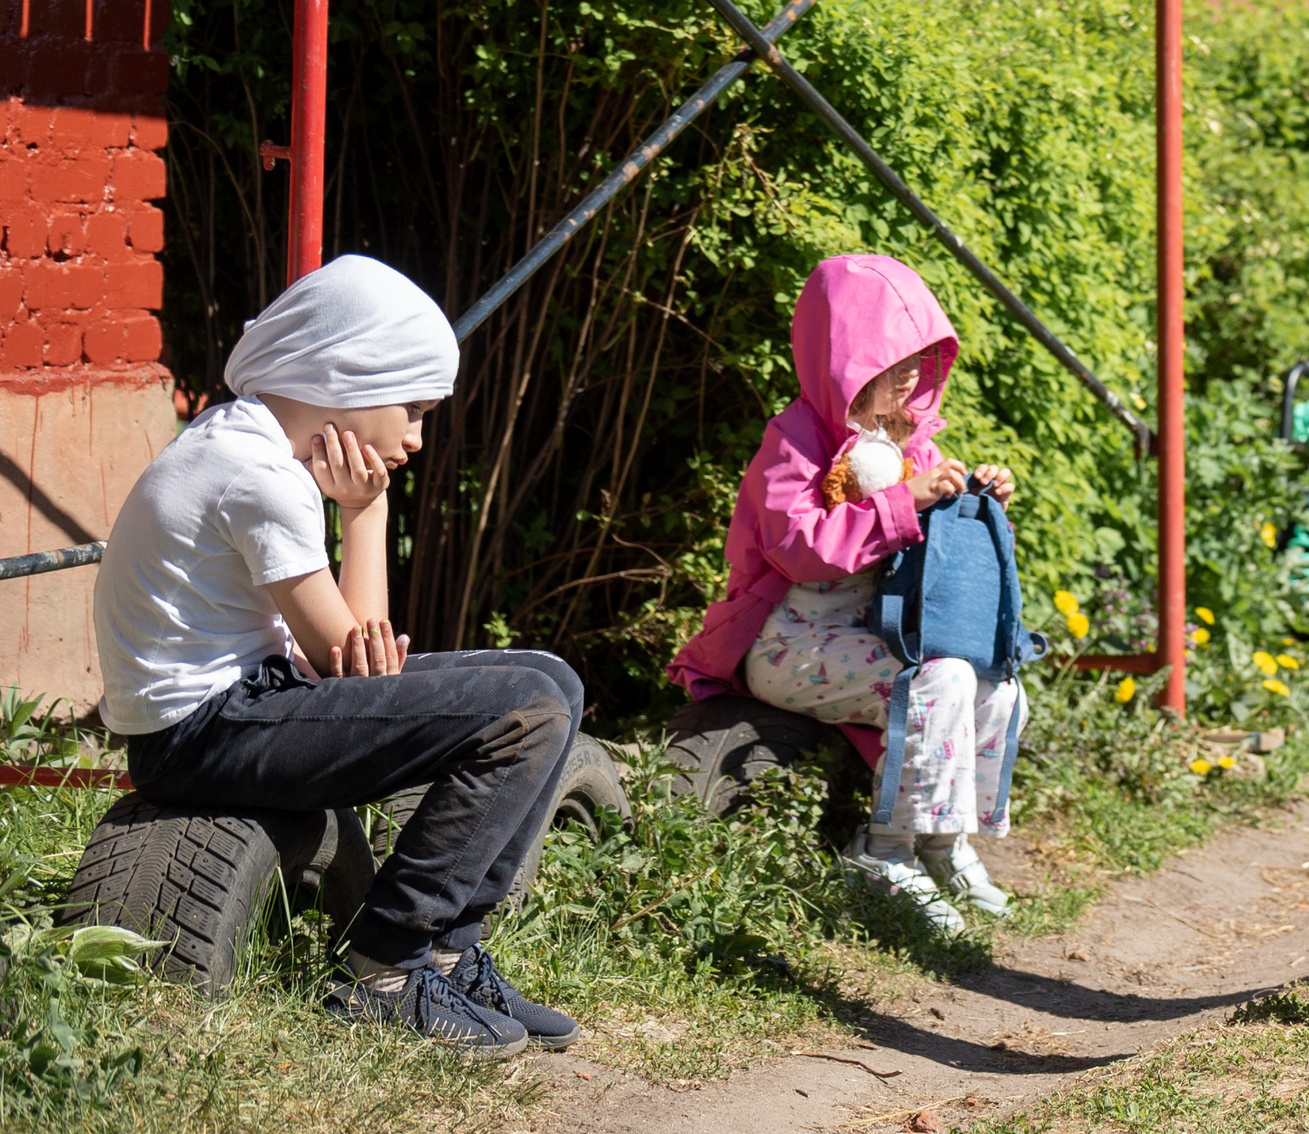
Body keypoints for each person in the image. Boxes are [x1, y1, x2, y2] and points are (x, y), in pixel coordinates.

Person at [96, 255, 586, 1059]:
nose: (417, 436)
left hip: (246, 702)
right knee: (526, 709)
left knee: (550, 681)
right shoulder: (254, 474)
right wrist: (365, 514)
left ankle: (453, 952)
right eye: (414, 408)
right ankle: (387, 963)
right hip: (204, 731)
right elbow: (346, 657)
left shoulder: (244, 444)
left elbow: (359, 653)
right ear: (350, 375)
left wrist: (364, 511)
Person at [668, 254, 1022, 937]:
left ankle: (944, 841)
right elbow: (797, 547)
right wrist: (899, 505)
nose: (913, 374)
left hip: (864, 634)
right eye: (894, 361)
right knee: (933, 682)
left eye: (922, 357)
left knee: (997, 685)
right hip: (783, 640)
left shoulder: (907, 442)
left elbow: (929, 532)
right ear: (846, 361)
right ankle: (885, 851)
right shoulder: (794, 443)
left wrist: (974, 492)